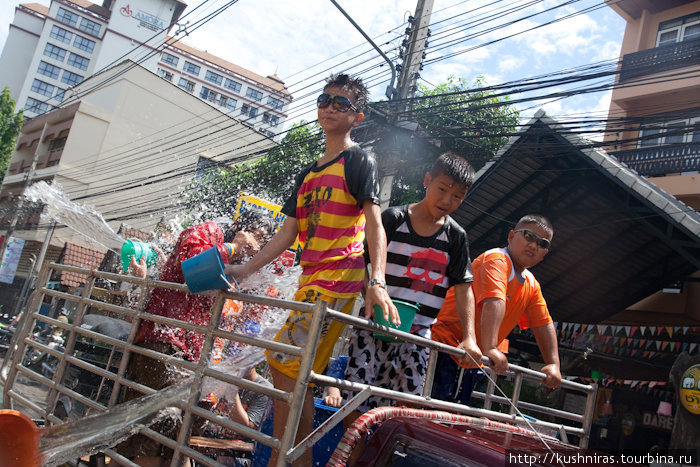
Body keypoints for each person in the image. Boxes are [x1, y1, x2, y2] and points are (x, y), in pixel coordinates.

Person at [226, 73, 395, 467]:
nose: (331, 107)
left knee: (284, 366)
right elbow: (288, 233)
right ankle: (294, 462)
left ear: (358, 117)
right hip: (310, 284)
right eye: (325, 100)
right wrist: (246, 268)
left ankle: (278, 462)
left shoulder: (358, 160)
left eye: (342, 104)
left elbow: (374, 224)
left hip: (337, 281)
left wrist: (377, 280)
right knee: (291, 376)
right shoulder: (308, 174)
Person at [330, 153, 482, 464]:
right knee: (356, 403)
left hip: (418, 336)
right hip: (374, 326)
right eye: (442, 189)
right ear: (427, 181)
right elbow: (362, 260)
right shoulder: (393, 219)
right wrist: (369, 291)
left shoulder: (455, 236)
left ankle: (374, 459)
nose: (447, 200)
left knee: (405, 408)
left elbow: (464, 287)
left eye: (457, 195)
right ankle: (348, 458)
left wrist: (470, 338)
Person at [117, 211, 274, 467]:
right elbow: (190, 265)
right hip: (166, 343)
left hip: (186, 356)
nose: (255, 247)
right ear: (243, 229)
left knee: (171, 445)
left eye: (261, 242)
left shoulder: (229, 268)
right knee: (154, 442)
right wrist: (234, 245)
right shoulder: (210, 231)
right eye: (256, 237)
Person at [431, 214, 562, 405]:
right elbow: (494, 300)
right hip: (444, 346)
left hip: (473, 359)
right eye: (528, 236)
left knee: (450, 418)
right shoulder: (497, 259)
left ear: (545, 254)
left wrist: (554, 364)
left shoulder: (531, 283)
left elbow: (543, 323)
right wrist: (491, 347)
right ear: (511, 236)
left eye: (542, 243)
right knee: (425, 413)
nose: (534, 245)